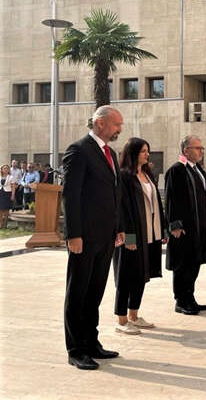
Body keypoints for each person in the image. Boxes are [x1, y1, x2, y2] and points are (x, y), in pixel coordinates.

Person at [62, 106, 125, 370]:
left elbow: (114, 194)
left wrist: (118, 227)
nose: (120, 129)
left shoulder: (110, 153)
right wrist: (73, 234)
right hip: (84, 237)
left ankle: (91, 342)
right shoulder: (78, 150)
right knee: (78, 292)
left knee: (95, 292)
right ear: (100, 123)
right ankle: (76, 349)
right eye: (116, 124)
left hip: (106, 236)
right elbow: (70, 196)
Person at [113, 138, 168, 335]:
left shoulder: (147, 174)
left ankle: (134, 316)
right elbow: (121, 208)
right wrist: (128, 236)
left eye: (147, 151)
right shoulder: (124, 176)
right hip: (132, 234)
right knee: (126, 276)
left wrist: (162, 229)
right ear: (133, 153)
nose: (147, 154)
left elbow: (156, 203)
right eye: (143, 151)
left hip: (149, 232)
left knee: (141, 275)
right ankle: (121, 320)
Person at [165, 134, 206, 315]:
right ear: (186, 150)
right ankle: (180, 301)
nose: (201, 151)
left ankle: (190, 297)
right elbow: (171, 200)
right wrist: (175, 226)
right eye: (197, 148)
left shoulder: (198, 170)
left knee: (194, 263)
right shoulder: (177, 170)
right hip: (184, 229)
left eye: (201, 148)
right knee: (182, 265)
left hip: (199, 227)